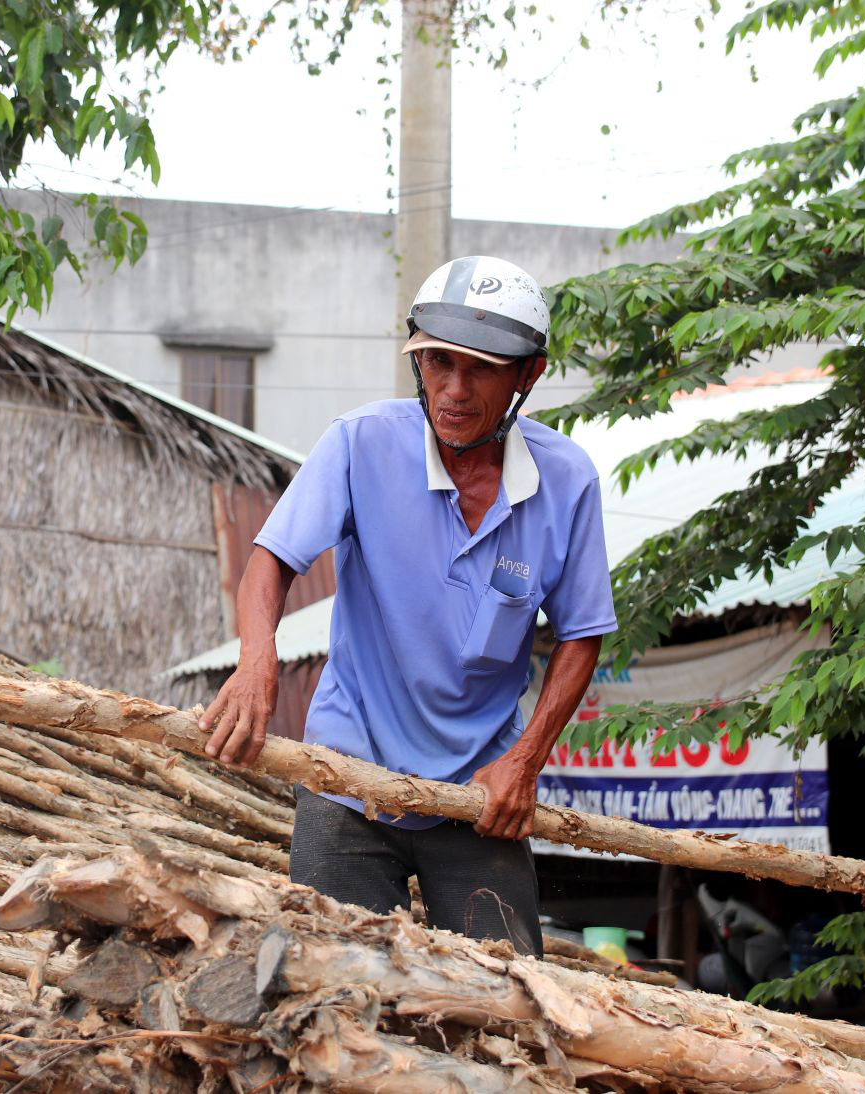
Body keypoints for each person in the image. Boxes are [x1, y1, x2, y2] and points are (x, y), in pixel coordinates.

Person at [198, 255, 615, 951]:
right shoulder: (361, 444)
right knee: (333, 989)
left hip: (480, 793)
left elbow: (583, 634)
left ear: (529, 376)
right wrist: (257, 659)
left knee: (506, 1005)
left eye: (480, 369)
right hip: (348, 774)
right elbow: (270, 561)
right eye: (437, 363)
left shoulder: (566, 482)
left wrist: (525, 762)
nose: (453, 389)